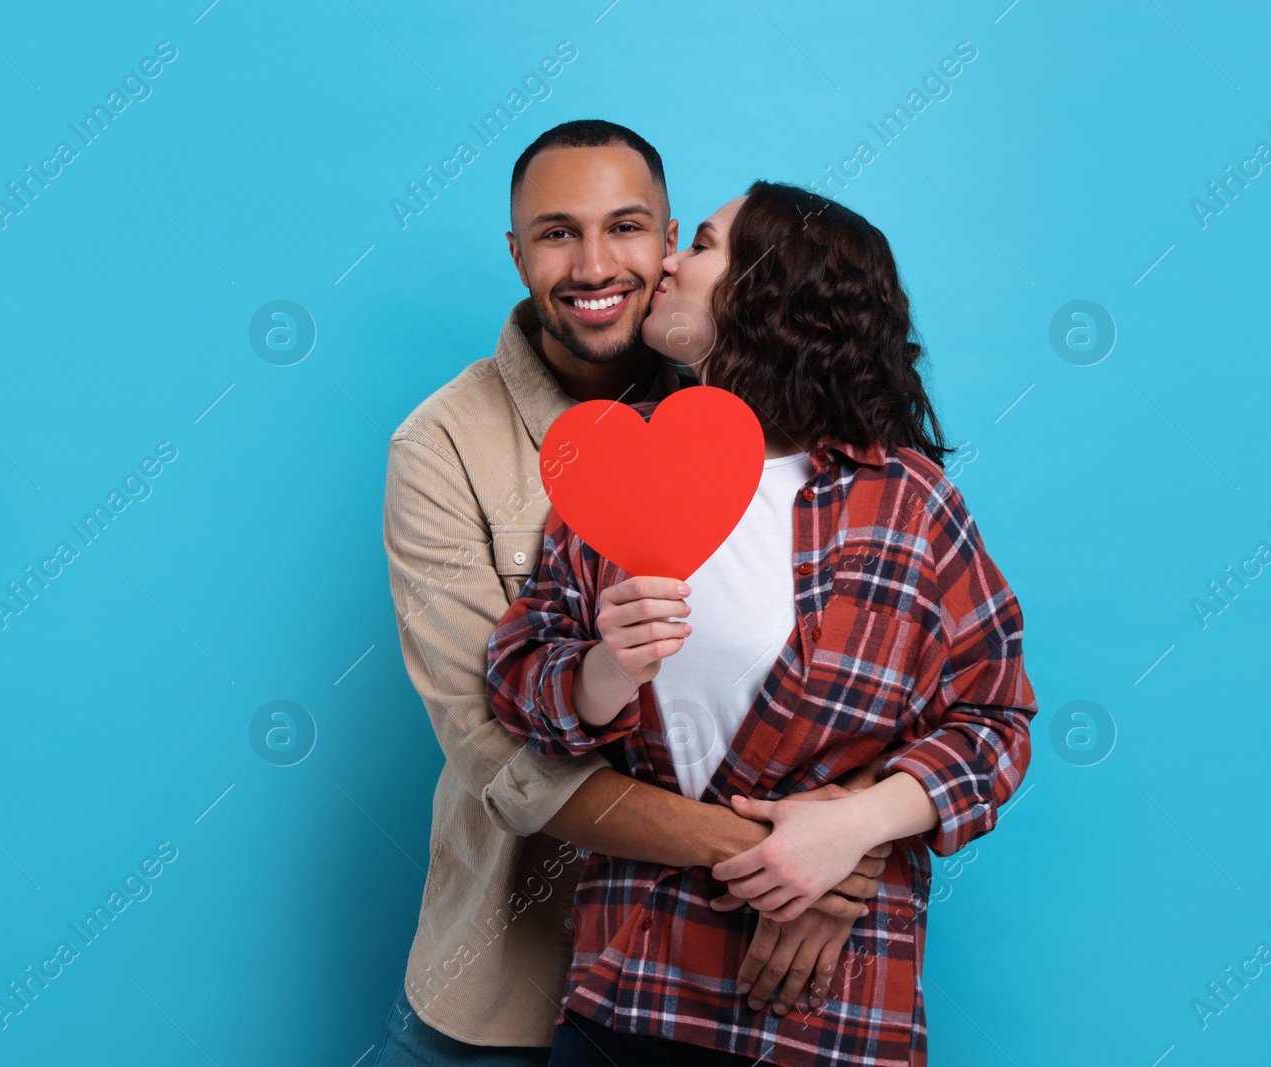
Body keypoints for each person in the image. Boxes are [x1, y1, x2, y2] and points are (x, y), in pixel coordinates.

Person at [486, 180, 1039, 1066]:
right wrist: (603, 670)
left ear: (768, 294)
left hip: (831, 1005)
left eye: (700, 245)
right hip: (632, 993)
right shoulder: (615, 462)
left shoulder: (906, 503)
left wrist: (852, 831)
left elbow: (995, 722)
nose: (665, 261)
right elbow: (518, 683)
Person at [376, 128, 892, 1066]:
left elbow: (888, 673)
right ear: (517, 253)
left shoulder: (754, 402)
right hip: (508, 986)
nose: (594, 264)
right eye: (556, 233)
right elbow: (502, 755)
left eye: (627, 228)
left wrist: (856, 830)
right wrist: (795, 862)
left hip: (724, 990)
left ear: (667, 247)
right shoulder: (440, 446)